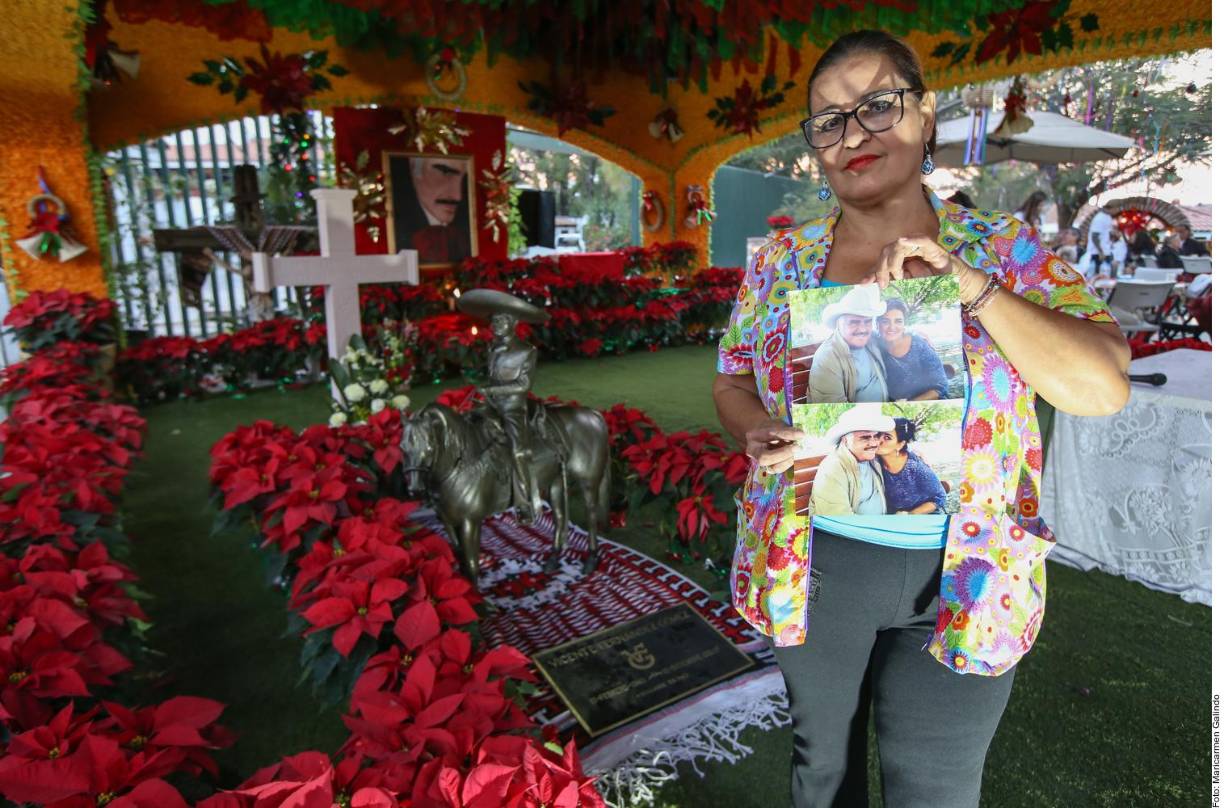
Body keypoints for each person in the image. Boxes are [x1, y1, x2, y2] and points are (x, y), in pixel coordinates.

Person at [711, 29, 1129, 808]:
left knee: (935, 790)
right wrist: (749, 426)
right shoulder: (778, 264)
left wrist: (972, 287)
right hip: (817, 563)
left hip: (971, 577)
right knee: (822, 775)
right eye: (829, 120)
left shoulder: (1003, 251)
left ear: (926, 114)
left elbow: (1102, 388)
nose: (854, 134)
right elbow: (733, 374)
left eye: (877, 105)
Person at [805, 284, 890, 402]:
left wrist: (914, 336)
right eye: (854, 322)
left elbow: (893, 334)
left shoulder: (871, 340)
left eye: (867, 321)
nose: (863, 329)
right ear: (838, 324)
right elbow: (833, 409)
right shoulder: (828, 357)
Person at [388, 154, 473, 264]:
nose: (458, 196)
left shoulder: (465, 231)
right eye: (445, 172)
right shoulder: (397, 225)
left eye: (464, 179)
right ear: (414, 169)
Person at [807, 409, 895, 515]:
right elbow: (839, 521)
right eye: (865, 437)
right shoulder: (832, 468)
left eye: (876, 436)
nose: (874, 443)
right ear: (845, 440)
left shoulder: (873, 461)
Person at [874, 298, 948, 400]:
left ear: (904, 323)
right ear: (877, 324)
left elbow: (941, 387)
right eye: (885, 321)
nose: (892, 327)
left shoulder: (919, 345)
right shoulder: (875, 345)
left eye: (898, 321)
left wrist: (909, 404)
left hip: (928, 403)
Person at [875, 418, 946, 514]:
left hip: (922, 515)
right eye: (878, 435)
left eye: (887, 438)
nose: (878, 441)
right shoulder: (874, 458)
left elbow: (940, 497)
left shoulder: (916, 468)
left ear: (900, 444)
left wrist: (910, 514)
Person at [1081, 208, 1114, 275]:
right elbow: (1094, 236)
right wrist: (1100, 251)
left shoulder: (1108, 217)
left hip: (1105, 251)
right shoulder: (1099, 218)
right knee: (1096, 276)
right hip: (1096, 253)